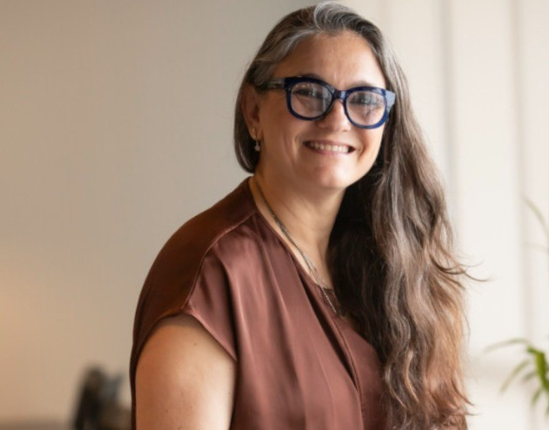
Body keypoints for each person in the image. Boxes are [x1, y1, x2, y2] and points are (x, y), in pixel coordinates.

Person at [130, 2, 469, 429]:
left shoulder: (385, 259)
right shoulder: (208, 279)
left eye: (364, 99)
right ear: (253, 111)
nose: (337, 119)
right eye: (309, 92)